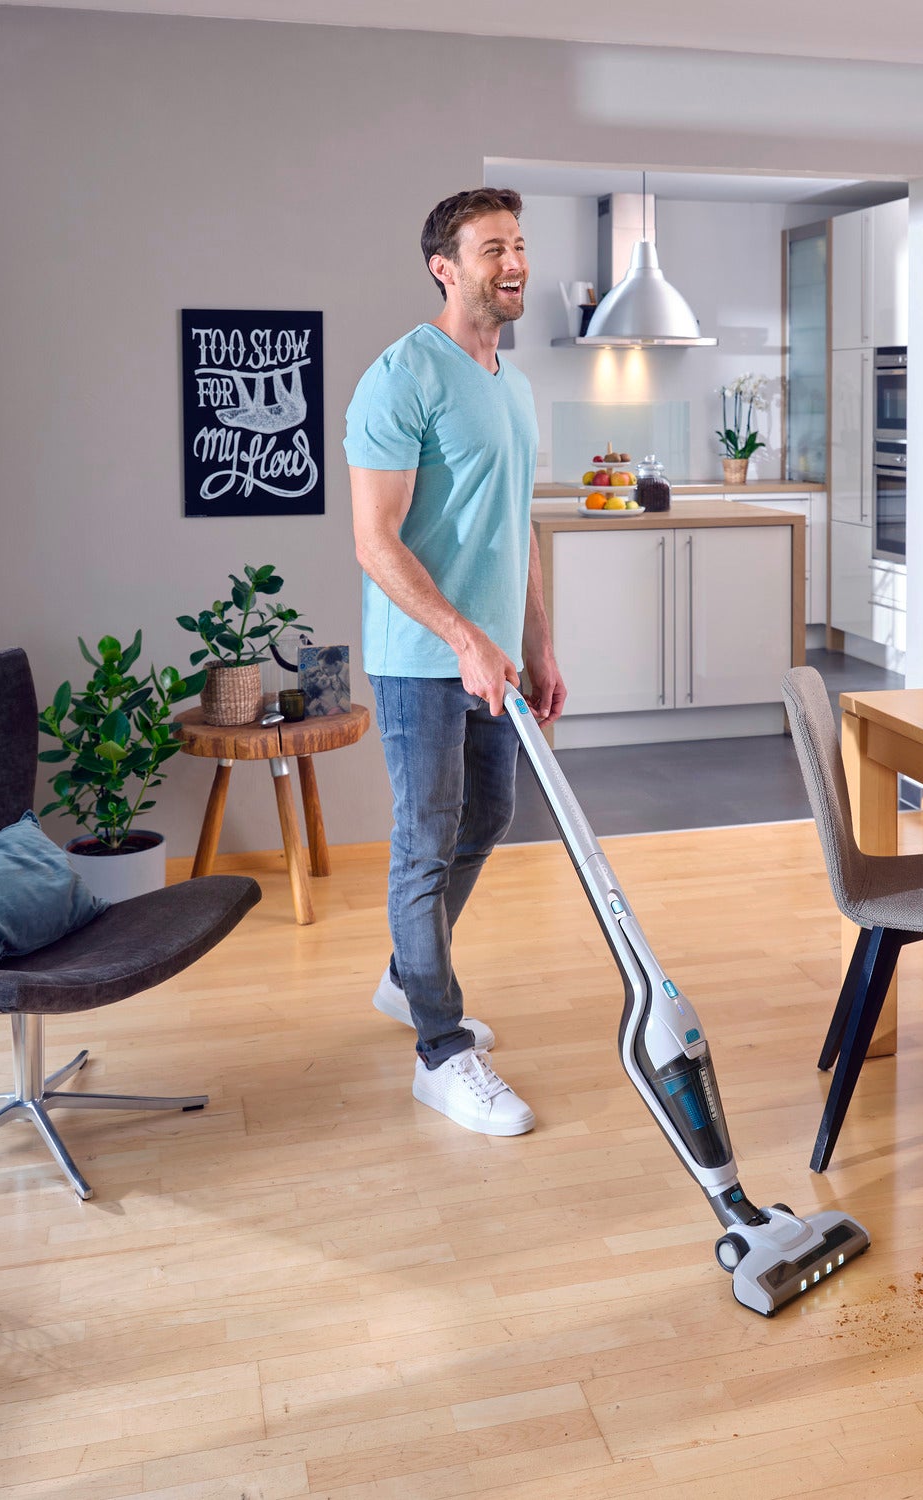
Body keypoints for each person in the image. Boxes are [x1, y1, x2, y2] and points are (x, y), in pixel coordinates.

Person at [345, 187, 565, 1137]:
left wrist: (538, 642)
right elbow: (375, 540)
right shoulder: (401, 377)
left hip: (496, 661)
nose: (512, 264)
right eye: (491, 249)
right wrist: (464, 637)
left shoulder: (512, 386)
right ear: (446, 267)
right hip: (420, 660)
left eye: (518, 246)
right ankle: (441, 1053)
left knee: (491, 815)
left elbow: (515, 530)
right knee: (426, 839)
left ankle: (409, 977)